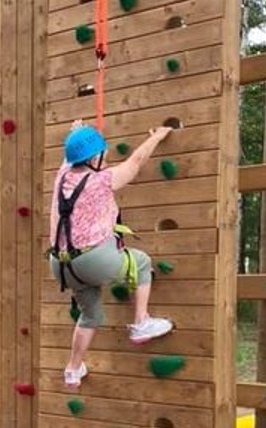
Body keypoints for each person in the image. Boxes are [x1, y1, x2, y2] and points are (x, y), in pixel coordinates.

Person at [49, 122, 175, 388]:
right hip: (93, 260)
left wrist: (77, 132)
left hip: (61, 265)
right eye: (103, 153)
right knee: (141, 262)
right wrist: (157, 136)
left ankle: (73, 369)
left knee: (90, 313)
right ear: (94, 158)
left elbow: (69, 155)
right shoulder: (101, 180)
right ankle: (141, 321)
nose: (106, 157)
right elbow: (135, 162)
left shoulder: (61, 176)